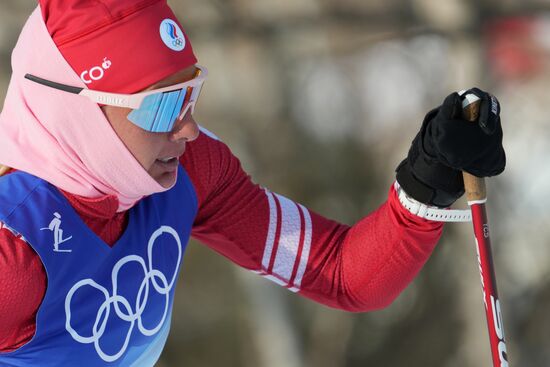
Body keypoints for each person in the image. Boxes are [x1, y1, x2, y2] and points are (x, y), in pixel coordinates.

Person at [0, 1, 505, 366]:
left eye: (190, 94)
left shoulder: (188, 170)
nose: (188, 127)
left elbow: (341, 274)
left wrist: (426, 180)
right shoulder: (13, 252)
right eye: (161, 106)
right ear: (74, 111)